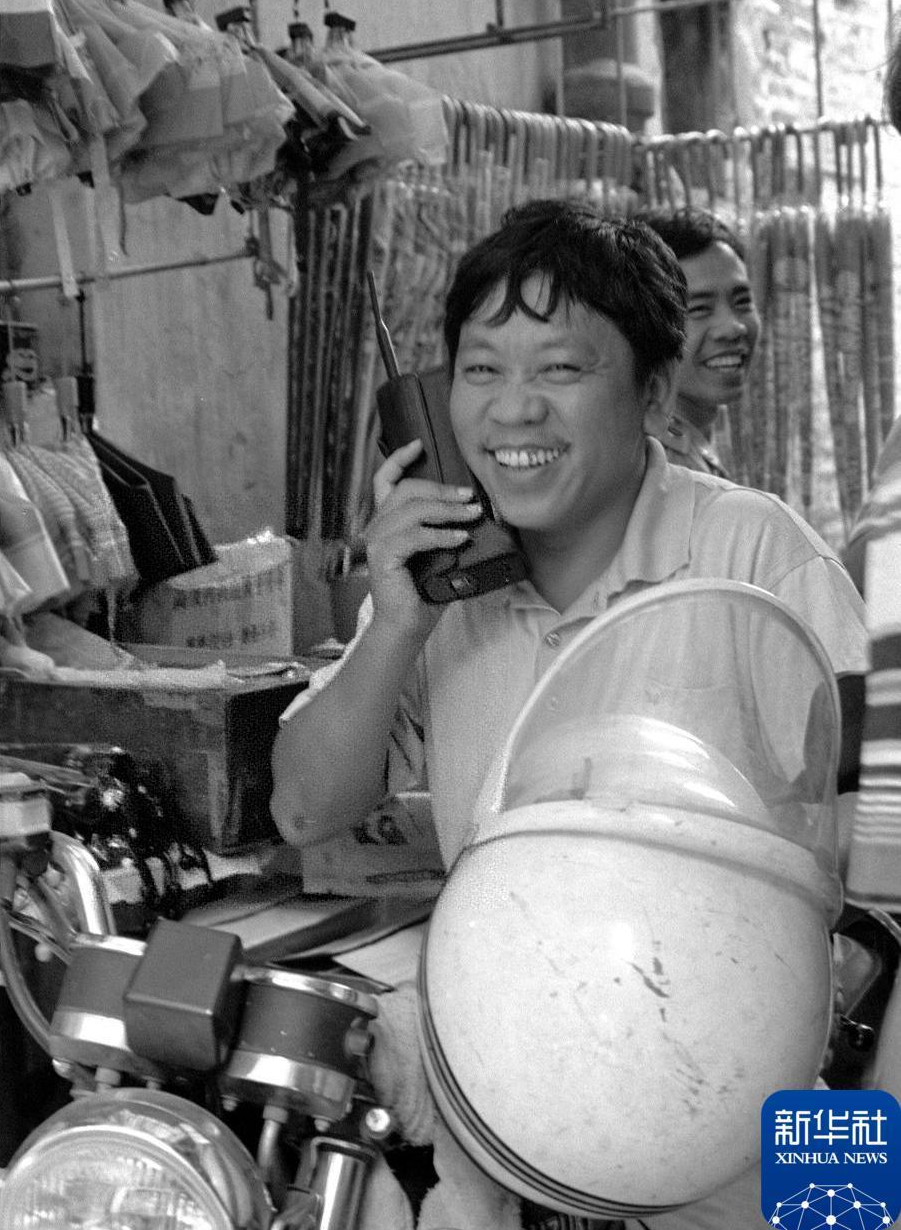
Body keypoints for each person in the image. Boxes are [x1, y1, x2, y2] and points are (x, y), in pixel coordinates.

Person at [271, 198, 868, 1230]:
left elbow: (885, 837)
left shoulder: (757, 554)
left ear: (651, 390)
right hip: (508, 1110)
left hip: (738, 1112)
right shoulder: (436, 586)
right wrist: (397, 624)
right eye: (481, 369)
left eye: (559, 369)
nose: (513, 412)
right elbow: (302, 810)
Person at [634, 205, 759, 478]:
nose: (734, 327)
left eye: (742, 302)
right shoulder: (658, 465)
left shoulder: (688, 445)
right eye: (699, 308)